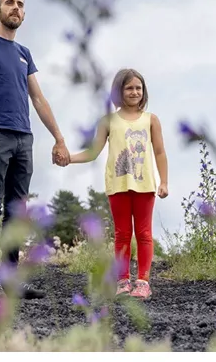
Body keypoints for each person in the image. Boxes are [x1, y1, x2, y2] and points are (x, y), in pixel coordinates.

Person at [0, 0, 70, 300]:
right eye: (10, 3)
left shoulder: (24, 52)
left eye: (21, 4)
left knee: (16, 211)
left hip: (24, 136)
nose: (16, 8)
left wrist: (59, 138)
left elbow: (38, 97)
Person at [67, 68, 169, 300]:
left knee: (144, 233)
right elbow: (94, 151)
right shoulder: (108, 121)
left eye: (138, 88)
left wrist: (164, 181)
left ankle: (143, 281)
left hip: (145, 185)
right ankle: (122, 281)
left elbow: (160, 152)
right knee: (122, 233)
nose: (134, 92)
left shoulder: (151, 120)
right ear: (119, 91)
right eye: (129, 88)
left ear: (144, 92)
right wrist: (69, 158)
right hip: (118, 184)